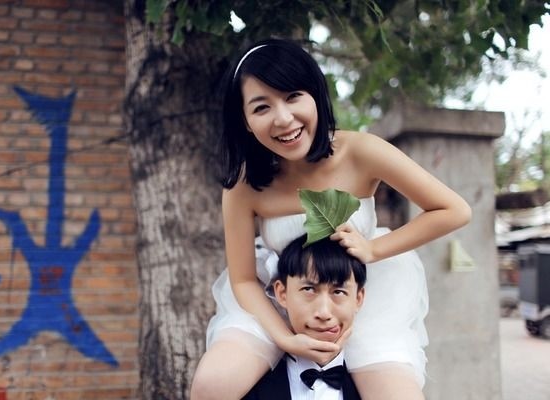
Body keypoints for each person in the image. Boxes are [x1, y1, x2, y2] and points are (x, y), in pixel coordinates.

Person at [190, 38, 471, 400]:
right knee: (211, 387)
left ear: (316, 95)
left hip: (356, 296)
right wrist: (285, 337)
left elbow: (454, 210)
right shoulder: (244, 186)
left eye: (293, 96)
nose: (283, 118)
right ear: (245, 121)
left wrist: (373, 249)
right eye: (262, 107)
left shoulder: (361, 151)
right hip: (281, 298)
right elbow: (243, 279)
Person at [243, 234, 364, 400]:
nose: (324, 313)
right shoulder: (245, 386)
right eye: (309, 290)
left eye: (338, 292)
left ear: (358, 299)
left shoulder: (380, 387)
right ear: (282, 293)